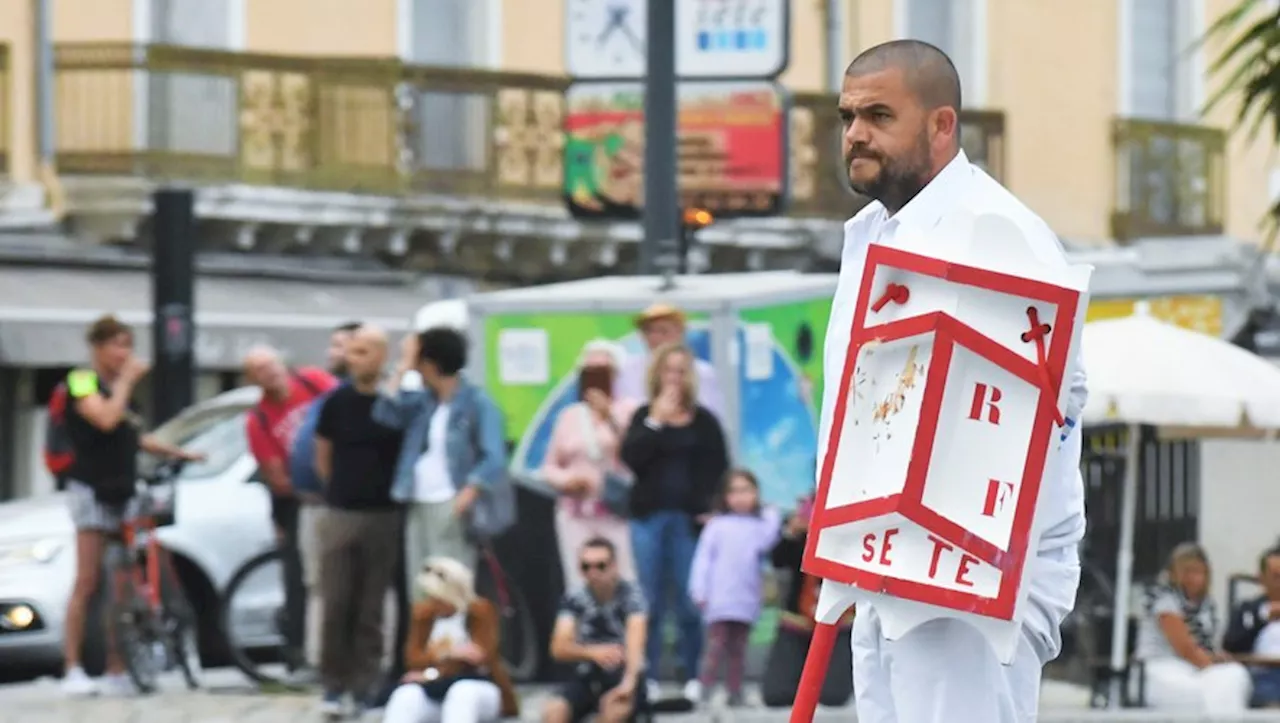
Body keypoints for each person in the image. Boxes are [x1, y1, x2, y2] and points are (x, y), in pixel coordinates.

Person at [824, 40, 1089, 722]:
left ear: (942, 125)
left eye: (879, 115)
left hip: (968, 577)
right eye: (848, 116)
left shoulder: (995, 231)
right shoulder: (874, 234)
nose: (856, 133)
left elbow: (1043, 411)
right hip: (886, 567)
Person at [61, 314, 203, 697]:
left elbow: (131, 433)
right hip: (91, 488)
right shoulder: (83, 380)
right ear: (98, 347)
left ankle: (118, 665)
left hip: (123, 487)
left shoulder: (119, 389)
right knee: (88, 578)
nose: (123, 354)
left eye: (128, 345)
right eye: (116, 345)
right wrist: (125, 382)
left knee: (125, 582)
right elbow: (105, 419)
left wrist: (180, 452)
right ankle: (72, 667)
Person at [619, 341, 729, 702]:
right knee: (648, 599)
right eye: (668, 370)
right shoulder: (643, 417)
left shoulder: (704, 420)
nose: (674, 378)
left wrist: (714, 507)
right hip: (648, 519)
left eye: (681, 371)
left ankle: (694, 673)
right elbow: (631, 458)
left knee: (687, 598)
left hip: (687, 521)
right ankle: (645, 675)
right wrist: (656, 421)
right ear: (656, 375)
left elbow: (719, 467)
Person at [313, 325, 405, 718]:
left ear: (382, 356)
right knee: (335, 603)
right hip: (342, 511)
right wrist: (336, 491)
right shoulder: (336, 402)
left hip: (384, 514)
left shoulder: (395, 402)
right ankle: (334, 684)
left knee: (371, 607)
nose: (355, 359)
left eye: (364, 351)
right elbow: (323, 455)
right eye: (351, 352)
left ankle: (366, 684)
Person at [375, 327, 507, 588]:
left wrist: (469, 492)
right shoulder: (424, 403)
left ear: (431, 364)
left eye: (418, 362)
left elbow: (494, 457)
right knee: (420, 585)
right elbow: (384, 414)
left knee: (448, 587)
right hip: (417, 498)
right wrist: (401, 368)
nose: (416, 369)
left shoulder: (478, 402)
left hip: (450, 501)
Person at [243, 345, 338, 678]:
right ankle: (301, 652)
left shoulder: (313, 382)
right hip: (301, 499)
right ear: (253, 379)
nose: (268, 371)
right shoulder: (259, 419)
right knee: (301, 577)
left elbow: (347, 411)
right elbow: (276, 476)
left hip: (342, 490)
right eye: (259, 369)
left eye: (270, 363)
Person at [292, 320, 361, 670]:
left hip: (339, 505)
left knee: (347, 587)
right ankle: (320, 661)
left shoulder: (356, 398)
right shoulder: (331, 395)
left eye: (339, 346)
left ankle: (344, 663)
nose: (331, 354)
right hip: (315, 504)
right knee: (319, 585)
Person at [542, 340, 638, 589]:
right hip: (575, 512)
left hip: (615, 511)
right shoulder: (569, 416)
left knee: (623, 578)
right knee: (578, 581)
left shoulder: (629, 411)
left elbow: (636, 454)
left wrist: (609, 417)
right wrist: (567, 481)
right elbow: (550, 466)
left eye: (603, 372)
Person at [383, 556, 519, 723]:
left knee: (462, 693)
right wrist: (451, 654)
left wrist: (434, 665)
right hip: (435, 690)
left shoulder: (480, 611)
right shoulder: (423, 614)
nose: (433, 603)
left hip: (478, 689)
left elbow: (482, 657)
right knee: (405, 696)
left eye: (438, 598)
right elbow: (413, 660)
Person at [687, 469, 780, 706]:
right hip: (719, 598)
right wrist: (699, 589)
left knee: (739, 648)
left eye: (746, 490)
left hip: (746, 596)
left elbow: (769, 537)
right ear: (725, 496)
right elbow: (703, 559)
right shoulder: (717, 525)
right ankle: (704, 687)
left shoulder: (758, 526)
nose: (740, 497)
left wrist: (771, 512)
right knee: (716, 646)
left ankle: (734, 690)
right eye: (734, 491)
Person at [1130, 542, 1250, 711]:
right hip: (1161, 667)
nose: (1194, 578)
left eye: (1199, 572)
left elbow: (1209, 644)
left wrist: (1219, 658)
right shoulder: (1164, 599)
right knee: (1208, 692)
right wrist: (1214, 664)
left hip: (1194, 668)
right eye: (1188, 572)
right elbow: (1186, 649)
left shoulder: (1207, 605)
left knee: (1235, 675)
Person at [762, 494, 853, 708]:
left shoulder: (854, 508)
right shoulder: (803, 511)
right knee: (777, 695)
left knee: (833, 697)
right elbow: (778, 560)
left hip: (840, 619)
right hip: (798, 619)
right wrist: (792, 533)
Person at [543, 537, 648, 723]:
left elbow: (635, 645)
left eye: (600, 566)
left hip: (620, 676)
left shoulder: (632, 595)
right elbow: (558, 647)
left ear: (614, 565)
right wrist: (594, 653)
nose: (593, 573)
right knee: (554, 711)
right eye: (586, 567)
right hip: (584, 676)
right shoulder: (575, 597)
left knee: (614, 713)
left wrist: (628, 684)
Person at [615, 303, 723, 419]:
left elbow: (712, 414)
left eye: (663, 331)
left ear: (680, 332)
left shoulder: (702, 371)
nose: (656, 337)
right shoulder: (627, 369)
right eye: (650, 331)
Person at [1225, 546, 1280, 706]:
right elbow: (1232, 645)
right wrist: (1263, 618)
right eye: (1276, 576)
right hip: (1264, 676)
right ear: (1262, 578)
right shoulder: (1249, 610)